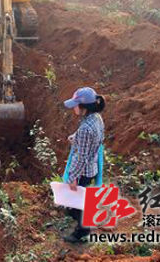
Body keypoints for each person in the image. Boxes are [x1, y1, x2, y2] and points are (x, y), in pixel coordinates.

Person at [62, 87, 106, 243]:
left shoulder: (86, 129)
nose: (74, 107)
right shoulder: (96, 118)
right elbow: (95, 138)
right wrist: (76, 137)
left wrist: (73, 177)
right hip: (92, 167)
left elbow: (82, 158)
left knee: (79, 202)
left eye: (75, 104)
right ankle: (79, 215)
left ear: (84, 107)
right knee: (81, 199)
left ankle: (82, 231)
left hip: (83, 171)